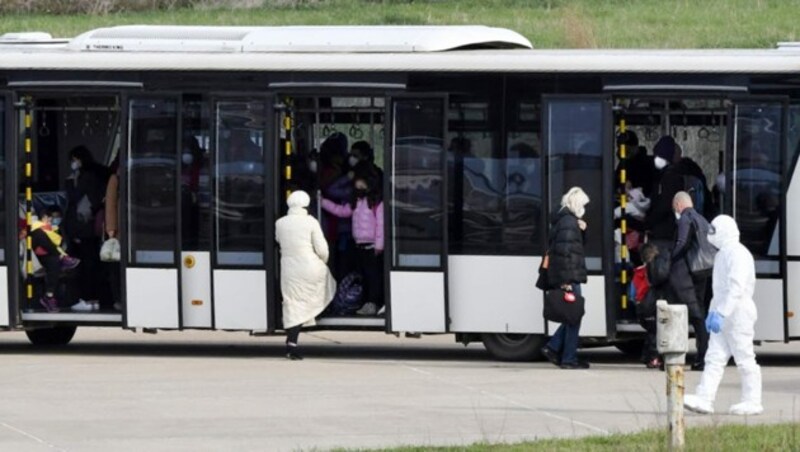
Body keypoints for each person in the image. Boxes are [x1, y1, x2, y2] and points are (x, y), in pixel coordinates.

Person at [684, 215, 763, 416]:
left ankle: (752, 400)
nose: (711, 235)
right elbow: (719, 290)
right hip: (723, 313)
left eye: (714, 230)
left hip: (738, 313)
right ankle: (704, 398)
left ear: (725, 231)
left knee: (744, 357)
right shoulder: (723, 254)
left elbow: (735, 288)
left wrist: (721, 313)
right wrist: (713, 313)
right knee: (714, 358)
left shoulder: (738, 254)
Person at [275, 190, 337, 360]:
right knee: (325, 285)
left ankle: (292, 344)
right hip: (310, 267)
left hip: (289, 270)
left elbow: (278, 241)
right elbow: (322, 249)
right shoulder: (311, 222)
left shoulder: (280, 223)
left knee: (293, 304)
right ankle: (319, 312)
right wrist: (323, 262)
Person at [540, 187, 590, 370]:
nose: (584, 208)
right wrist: (566, 282)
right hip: (570, 276)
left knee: (572, 316)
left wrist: (582, 231)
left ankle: (555, 348)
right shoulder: (568, 222)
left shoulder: (566, 220)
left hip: (569, 275)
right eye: (583, 205)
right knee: (574, 317)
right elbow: (565, 253)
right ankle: (567, 358)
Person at [321, 174, 384, 316]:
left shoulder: (376, 203)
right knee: (364, 276)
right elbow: (341, 211)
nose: (357, 184)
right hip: (359, 245)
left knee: (372, 276)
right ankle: (367, 303)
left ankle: (373, 303)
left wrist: (379, 245)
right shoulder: (357, 201)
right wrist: (323, 202)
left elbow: (381, 225)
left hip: (372, 246)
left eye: (360, 181)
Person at [64, 145, 108, 312]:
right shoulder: (96, 175)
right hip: (90, 228)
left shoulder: (84, 178)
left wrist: (69, 182)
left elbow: (74, 198)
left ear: (79, 159)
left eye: (73, 160)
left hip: (83, 228)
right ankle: (94, 300)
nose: (72, 164)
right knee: (91, 264)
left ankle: (87, 299)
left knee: (85, 266)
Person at [671, 191, 710, 371]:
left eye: (674, 207)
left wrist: (671, 258)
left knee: (695, 316)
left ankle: (702, 357)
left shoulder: (685, 219)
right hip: (702, 271)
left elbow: (682, 242)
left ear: (679, 204)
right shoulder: (701, 219)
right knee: (699, 313)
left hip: (689, 273)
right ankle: (703, 356)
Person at [30, 206, 80, 312]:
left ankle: (50, 297)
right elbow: (44, 244)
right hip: (38, 259)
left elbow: (61, 244)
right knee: (55, 261)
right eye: (53, 217)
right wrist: (60, 255)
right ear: (44, 217)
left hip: (51, 258)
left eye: (59, 217)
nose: (55, 220)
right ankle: (48, 297)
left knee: (56, 263)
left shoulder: (56, 230)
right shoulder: (36, 229)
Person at [104, 158, 122, 312]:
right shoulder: (115, 179)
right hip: (119, 232)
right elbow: (110, 204)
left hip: (134, 231)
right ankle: (118, 299)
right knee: (116, 267)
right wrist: (111, 230)